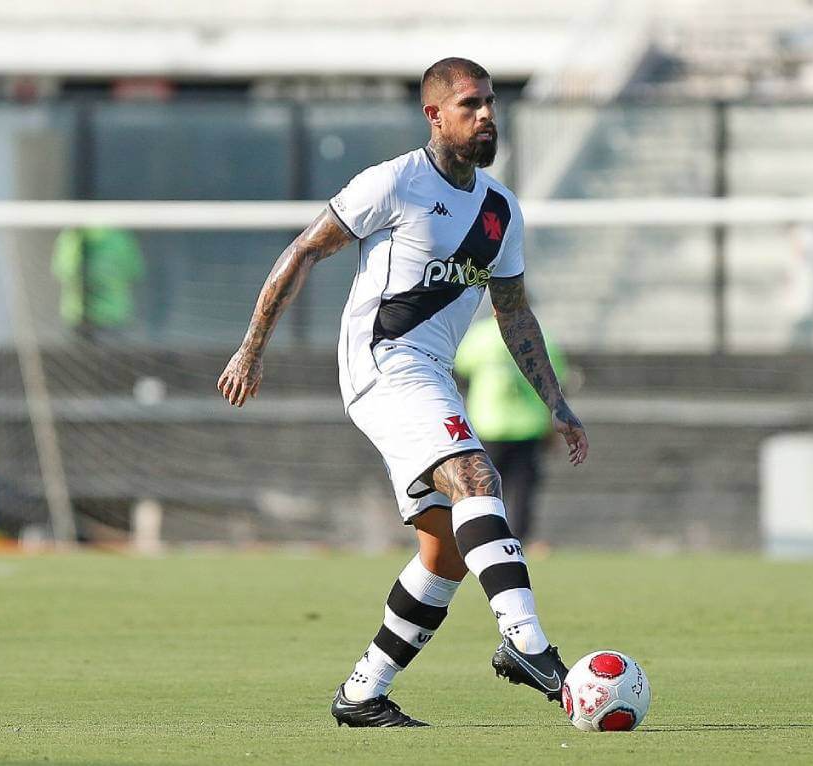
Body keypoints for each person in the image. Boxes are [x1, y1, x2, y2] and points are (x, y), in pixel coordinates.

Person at [216, 57, 588, 727]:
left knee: (444, 552)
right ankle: (527, 644)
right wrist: (251, 346)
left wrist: (554, 402)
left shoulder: (500, 211)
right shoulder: (395, 183)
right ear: (434, 115)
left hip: (427, 373)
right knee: (477, 476)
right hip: (382, 361)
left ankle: (363, 693)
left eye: (491, 104)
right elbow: (304, 250)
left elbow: (513, 311)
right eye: (471, 104)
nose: (486, 117)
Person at [454, 315, 567, 547]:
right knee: (522, 489)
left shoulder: (479, 336)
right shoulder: (539, 335)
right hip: (528, 425)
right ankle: (515, 543)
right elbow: (556, 381)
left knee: (481, 488)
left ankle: (482, 539)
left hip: (489, 422)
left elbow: (461, 369)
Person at [51, 226, 144, 342]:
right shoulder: (119, 236)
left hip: (76, 315)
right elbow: (134, 271)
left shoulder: (71, 235)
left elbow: (62, 271)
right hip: (113, 313)